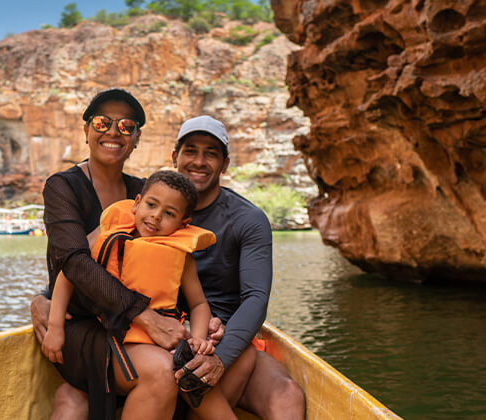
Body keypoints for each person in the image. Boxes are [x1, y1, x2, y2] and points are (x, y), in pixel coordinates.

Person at [34, 115, 306, 419]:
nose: (199, 161)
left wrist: (216, 353)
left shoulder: (247, 220)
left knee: (287, 394)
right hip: (146, 336)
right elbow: (84, 266)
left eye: (211, 153)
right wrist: (42, 299)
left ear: (225, 164)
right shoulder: (141, 209)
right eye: (190, 151)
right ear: (175, 156)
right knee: (74, 398)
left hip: (217, 340)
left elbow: (255, 298)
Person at [32, 88, 193, 420]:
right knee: (163, 372)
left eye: (126, 126)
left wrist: (198, 317)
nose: (113, 132)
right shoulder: (63, 187)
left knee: (181, 365)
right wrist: (146, 316)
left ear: (136, 139)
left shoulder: (145, 194)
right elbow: (73, 262)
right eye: (103, 122)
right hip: (83, 328)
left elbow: (172, 258)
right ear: (87, 129)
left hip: (133, 329)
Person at [43, 170, 249, 418]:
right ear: (138, 202)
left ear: (183, 223)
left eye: (169, 214)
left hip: (162, 340)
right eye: (151, 205)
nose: (156, 217)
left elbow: (198, 304)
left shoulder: (180, 256)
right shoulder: (110, 240)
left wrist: (197, 339)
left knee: (194, 373)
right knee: (171, 369)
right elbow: (69, 275)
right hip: (114, 336)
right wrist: (55, 327)